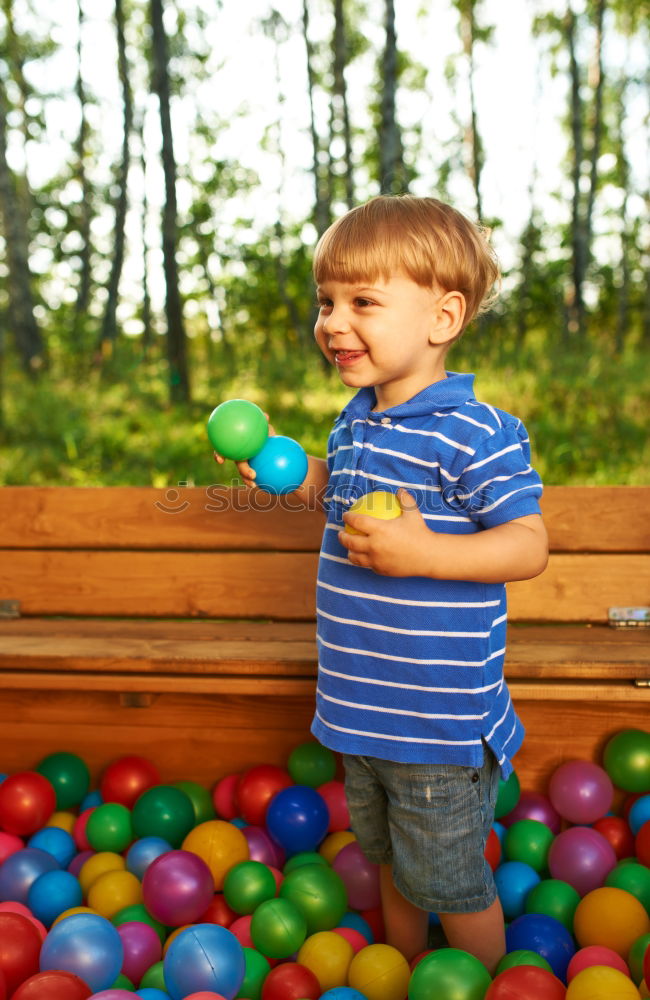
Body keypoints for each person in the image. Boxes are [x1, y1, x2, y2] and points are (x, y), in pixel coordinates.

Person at [216, 194, 548, 973]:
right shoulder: (356, 422)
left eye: (363, 301)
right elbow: (343, 498)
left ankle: (489, 985)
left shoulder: (476, 431)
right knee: (392, 862)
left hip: (434, 719)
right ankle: (401, 972)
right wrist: (289, 475)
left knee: (455, 883)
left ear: (442, 317)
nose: (333, 322)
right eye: (327, 301)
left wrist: (425, 554)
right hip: (361, 707)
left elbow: (528, 543)